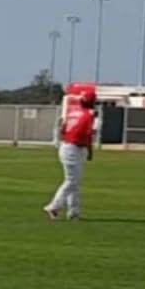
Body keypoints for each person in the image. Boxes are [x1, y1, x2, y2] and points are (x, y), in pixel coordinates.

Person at [44, 90, 96, 221]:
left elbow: (63, 130)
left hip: (67, 145)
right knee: (72, 181)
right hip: (75, 148)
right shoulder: (88, 116)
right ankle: (53, 207)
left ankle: (74, 212)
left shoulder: (72, 113)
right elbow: (87, 135)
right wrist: (90, 151)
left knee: (75, 182)